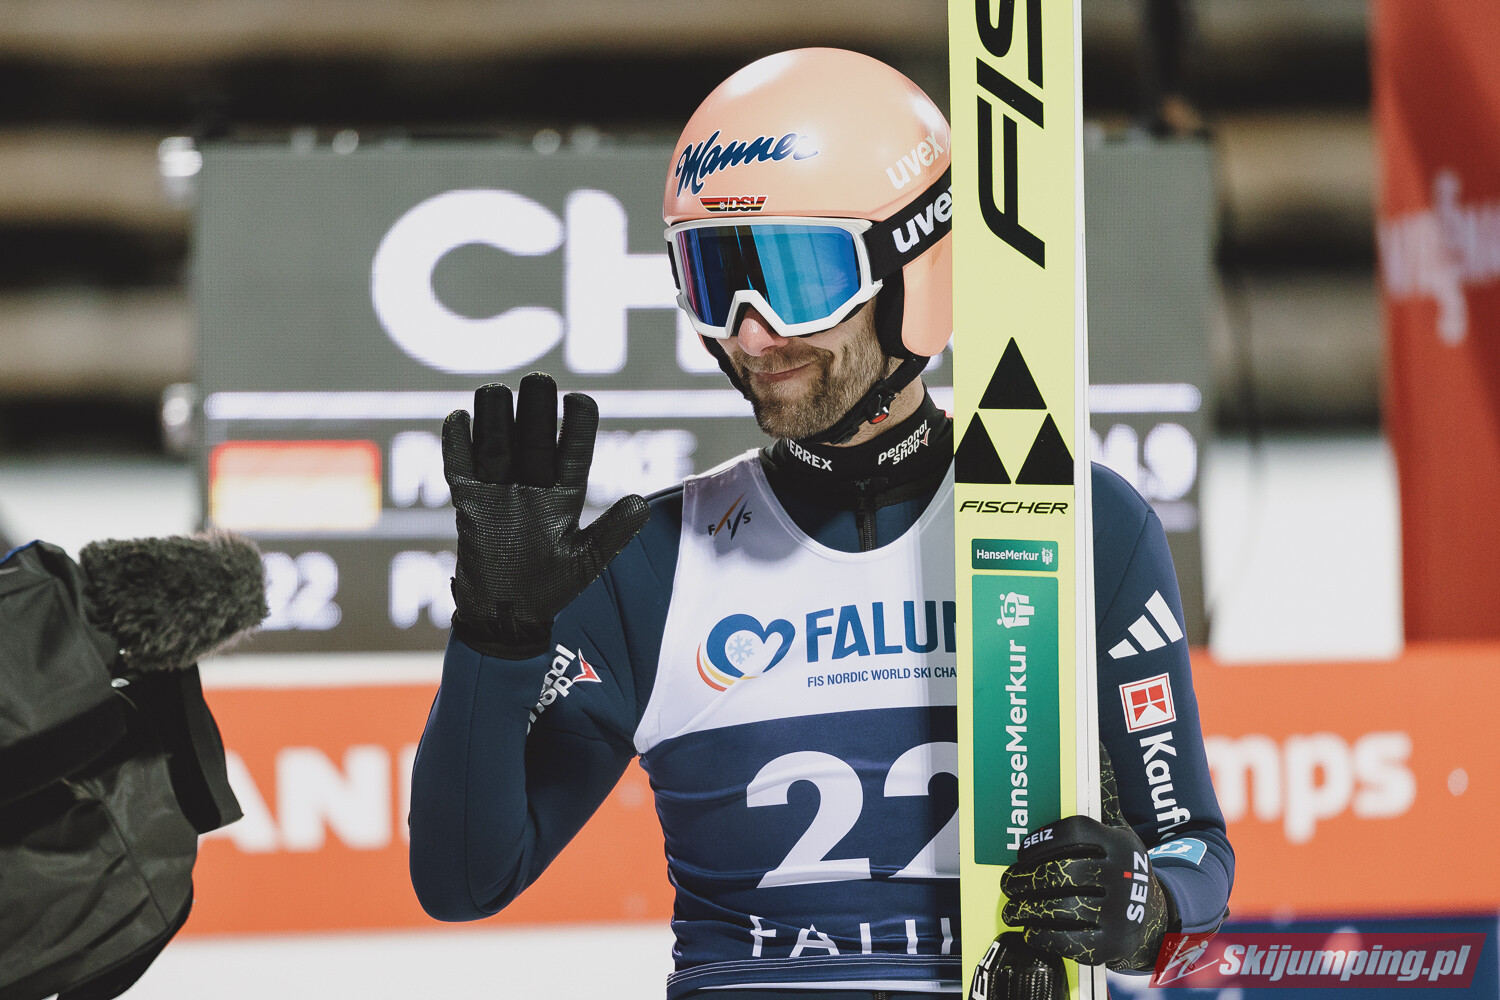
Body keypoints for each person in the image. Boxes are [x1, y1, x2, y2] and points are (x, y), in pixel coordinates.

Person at [409, 47, 1232, 999]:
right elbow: (461, 881)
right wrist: (495, 641)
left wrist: (1146, 908)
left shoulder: (1081, 528)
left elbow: (1195, 858)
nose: (751, 333)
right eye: (714, 278)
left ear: (916, 267)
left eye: (798, 278)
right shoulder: (653, 563)